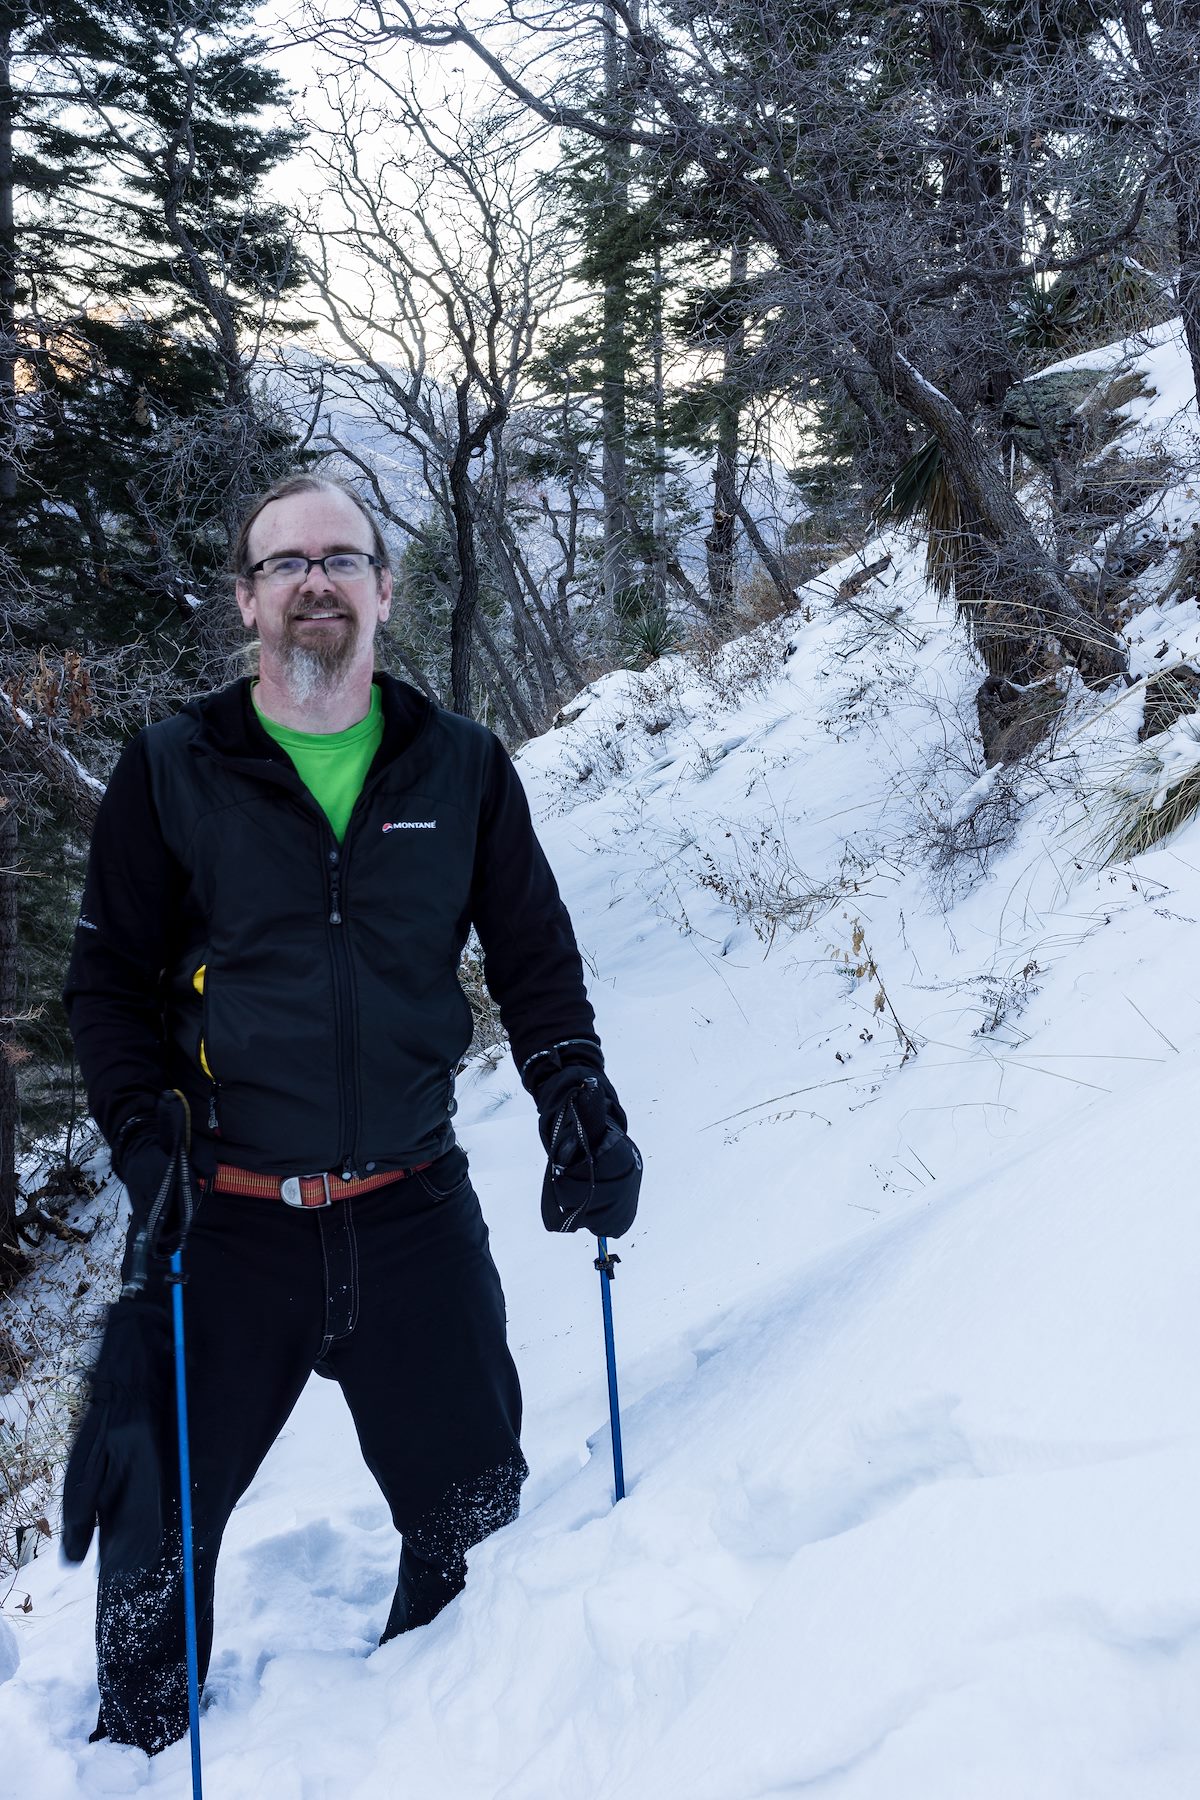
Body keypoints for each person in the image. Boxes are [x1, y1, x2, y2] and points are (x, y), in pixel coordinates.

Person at [60, 474, 641, 1755]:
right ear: (247, 599)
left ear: (385, 588)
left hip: (412, 1212)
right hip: (221, 1225)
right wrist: (141, 1134)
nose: (313, 582)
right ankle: (138, 1760)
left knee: (479, 1529)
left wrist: (573, 1089)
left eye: (341, 558)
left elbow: (535, 960)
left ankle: (427, 1744)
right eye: (285, 564)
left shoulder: (464, 764)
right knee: (155, 1543)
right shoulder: (172, 768)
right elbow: (103, 985)